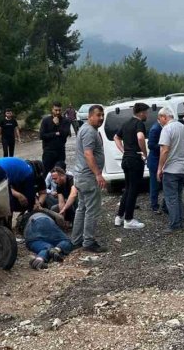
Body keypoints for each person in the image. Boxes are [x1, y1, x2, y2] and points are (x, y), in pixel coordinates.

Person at [71, 105, 107, 253]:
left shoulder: (87, 130)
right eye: (98, 115)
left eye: (102, 115)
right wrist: (98, 174)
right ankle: (88, 241)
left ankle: (76, 240)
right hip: (88, 177)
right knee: (92, 210)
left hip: (81, 176)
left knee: (82, 208)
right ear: (90, 116)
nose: (101, 118)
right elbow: (88, 154)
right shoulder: (89, 132)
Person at [114, 102, 149, 229]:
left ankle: (119, 217)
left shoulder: (126, 123)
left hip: (126, 159)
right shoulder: (139, 123)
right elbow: (140, 137)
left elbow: (116, 137)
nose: (147, 115)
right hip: (135, 159)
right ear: (141, 113)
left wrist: (123, 150)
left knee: (128, 188)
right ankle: (129, 219)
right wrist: (144, 153)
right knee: (133, 189)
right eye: (146, 112)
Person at [157, 107, 184, 232]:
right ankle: (180, 222)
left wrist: (160, 168)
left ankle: (175, 225)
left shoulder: (167, 129)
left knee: (171, 198)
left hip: (171, 169)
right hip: (183, 168)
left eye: (159, 118)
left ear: (164, 117)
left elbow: (164, 150)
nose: (159, 121)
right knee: (178, 196)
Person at [39, 101, 71, 173]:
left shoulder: (65, 121)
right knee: (47, 173)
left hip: (60, 151)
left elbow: (65, 134)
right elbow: (42, 136)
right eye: (56, 110)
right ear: (52, 109)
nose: (57, 112)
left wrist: (57, 124)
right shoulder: (46, 120)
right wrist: (55, 134)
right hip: (48, 151)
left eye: (59, 110)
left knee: (60, 173)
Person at [146, 116, 163, 213]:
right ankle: (154, 206)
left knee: (161, 184)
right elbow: (151, 145)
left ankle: (162, 205)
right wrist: (163, 146)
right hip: (155, 160)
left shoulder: (160, 127)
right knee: (154, 184)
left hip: (159, 159)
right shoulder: (155, 128)